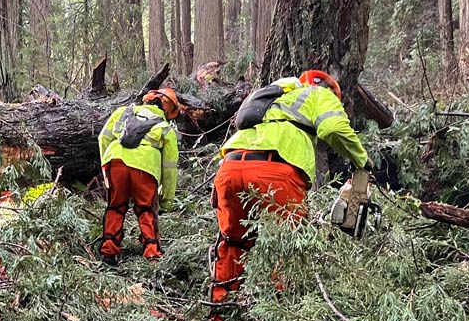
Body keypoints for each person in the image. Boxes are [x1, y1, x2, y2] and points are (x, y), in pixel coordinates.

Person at [210, 69, 370, 307]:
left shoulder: (272, 99)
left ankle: (220, 316)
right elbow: (333, 128)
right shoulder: (318, 94)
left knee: (234, 243)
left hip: (229, 168)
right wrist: (362, 161)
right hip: (274, 171)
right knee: (288, 248)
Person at [97, 88, 180, 264]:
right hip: (144, 168)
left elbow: (103, 138)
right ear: (168, 110)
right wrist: (167, 200)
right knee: (146, 209)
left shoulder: (122, 112)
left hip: (115, 162)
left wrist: (106, 165)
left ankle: (109, 251)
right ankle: (152, 253)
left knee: (115, 206)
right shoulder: (165, 128)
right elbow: (170, 168)